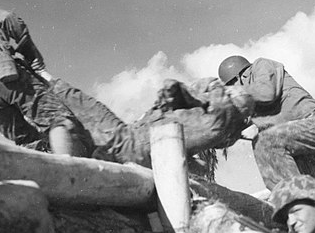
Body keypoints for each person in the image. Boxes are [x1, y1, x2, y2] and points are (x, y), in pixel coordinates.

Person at [0, 9, 92, 156]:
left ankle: (42, 175)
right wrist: (33, 57)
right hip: (0, 71)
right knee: (56, 118)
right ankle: (68, 172)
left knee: (25, 138)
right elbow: (8, 18)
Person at [36, 69, 253, 169]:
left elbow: (171, 86)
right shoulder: (217, 129)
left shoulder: (216, 113)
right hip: (140, 150)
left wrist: (169, 103)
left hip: (128, 142)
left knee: (80, 102)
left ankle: (40, 74)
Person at [217, 55, 315, 190]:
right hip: (297, 145)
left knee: (264, 142)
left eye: (231, 86)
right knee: (304, 189)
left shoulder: (261, 66)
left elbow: (266, 92)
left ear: (239, 79)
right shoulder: (251, 101)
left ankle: (293, 202)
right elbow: (233, 129)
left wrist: (227, 93)